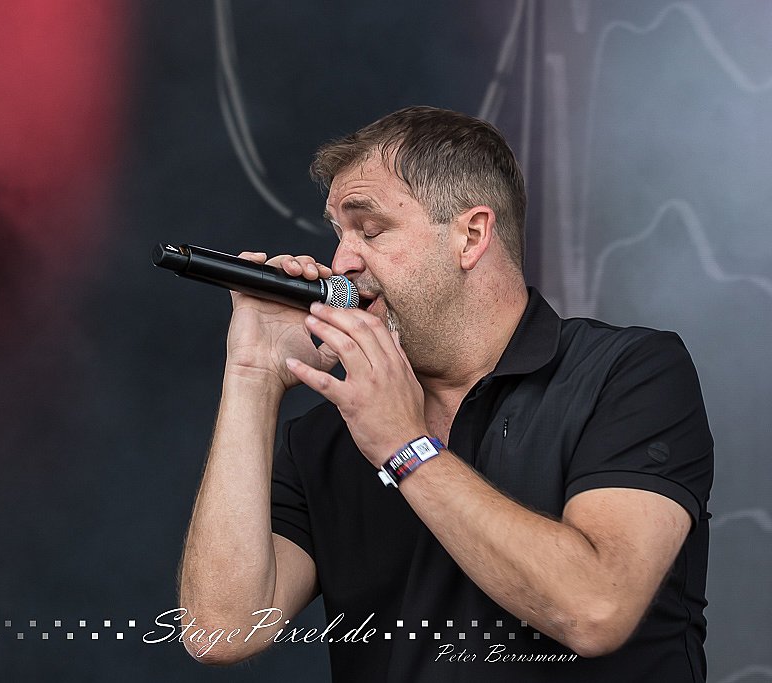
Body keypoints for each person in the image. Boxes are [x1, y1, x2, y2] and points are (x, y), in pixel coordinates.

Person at [177, 106, 713, 682]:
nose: (341, 262)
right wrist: (253, 374)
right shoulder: (325, 437)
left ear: (471, 236)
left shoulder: (627, 372)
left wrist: (403, 446)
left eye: (370, 229)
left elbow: (596, 609)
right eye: (339, 234)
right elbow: (218, 632)